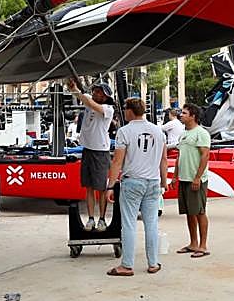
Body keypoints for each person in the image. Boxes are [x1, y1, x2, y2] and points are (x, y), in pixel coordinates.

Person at [105, 98, 168, 276]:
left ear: (130, 111)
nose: (124, 112)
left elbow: (117, 161)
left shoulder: (124, 132)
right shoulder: (158, 131)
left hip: (133, 181)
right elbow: (163, 160)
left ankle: (127, 264)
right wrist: (164, 181)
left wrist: (110, 185)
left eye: (125, 109)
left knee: (129, 224)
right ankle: (153, 262)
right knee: (152, 223)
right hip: (153, 181)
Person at [68, 78, 114, 231]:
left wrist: (81, 95)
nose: (95, 93)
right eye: (95, 90)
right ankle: (90, 218)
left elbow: (91, 104)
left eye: (99, 92)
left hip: (100, 151)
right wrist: (74, 88)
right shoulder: (88, 100)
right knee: (88, 187)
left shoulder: (108, 109)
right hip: (87, 149)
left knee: (101, 188)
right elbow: (82, 96)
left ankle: (102, 219)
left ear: (105, 96)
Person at [174, 102, 212, 258]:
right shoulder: (183, 134)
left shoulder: (201, 133)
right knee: (189, 212)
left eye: (184, 113)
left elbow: (205, 155)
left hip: (195, 180)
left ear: (193, 116)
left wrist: (197, 177)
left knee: (200, 212)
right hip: (184, 179)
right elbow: (179, 156)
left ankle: (203, 245)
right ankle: (193, 243)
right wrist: (174, 176)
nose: (181, 115)